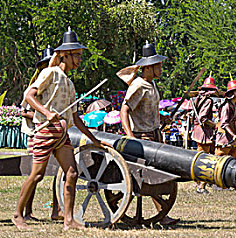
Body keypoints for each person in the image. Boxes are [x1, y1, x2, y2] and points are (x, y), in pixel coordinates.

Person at [13, 28, 108, 230]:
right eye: (77, 55)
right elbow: (28, 95)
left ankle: (68, 220)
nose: (80, 59)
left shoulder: (70, 84)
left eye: (81, 55)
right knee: (37, 175)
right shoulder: (50, 73)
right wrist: (47, 113)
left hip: (62, 134)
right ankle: (17, 214)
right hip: (45, 131)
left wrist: (94, 140)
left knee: (72, 173)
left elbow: (76, 119)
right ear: (65, 55)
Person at [118, 41, 179, 225]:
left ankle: (162, 213)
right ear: (149, 67)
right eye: (158, 66)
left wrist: (162, 118)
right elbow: (125, 109)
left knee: (155, 176)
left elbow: (148, 111)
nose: (161, 69)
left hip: (154, 134)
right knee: (147, 178)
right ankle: (161, 214)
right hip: (142, 137)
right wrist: (129, 135)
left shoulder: (151, 85)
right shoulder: (138, 85)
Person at [19, 46, 64, 222]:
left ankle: (56, 210)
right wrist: (43, 115)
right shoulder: (36, 84)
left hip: (54, 133)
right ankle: (26, 212)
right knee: (35, 174)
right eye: (46, 63)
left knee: (59, 172)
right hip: (35, 132)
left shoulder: (55, 82)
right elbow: (24, 111)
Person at [192, 74, 218, 194]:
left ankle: (198, 182)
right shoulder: (207, 101)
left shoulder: (198, 98)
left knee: (201, 157)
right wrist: (215, 125)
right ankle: (201, 186)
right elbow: (203, 118)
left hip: (198, 130)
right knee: (205, 159)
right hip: (203, 131)